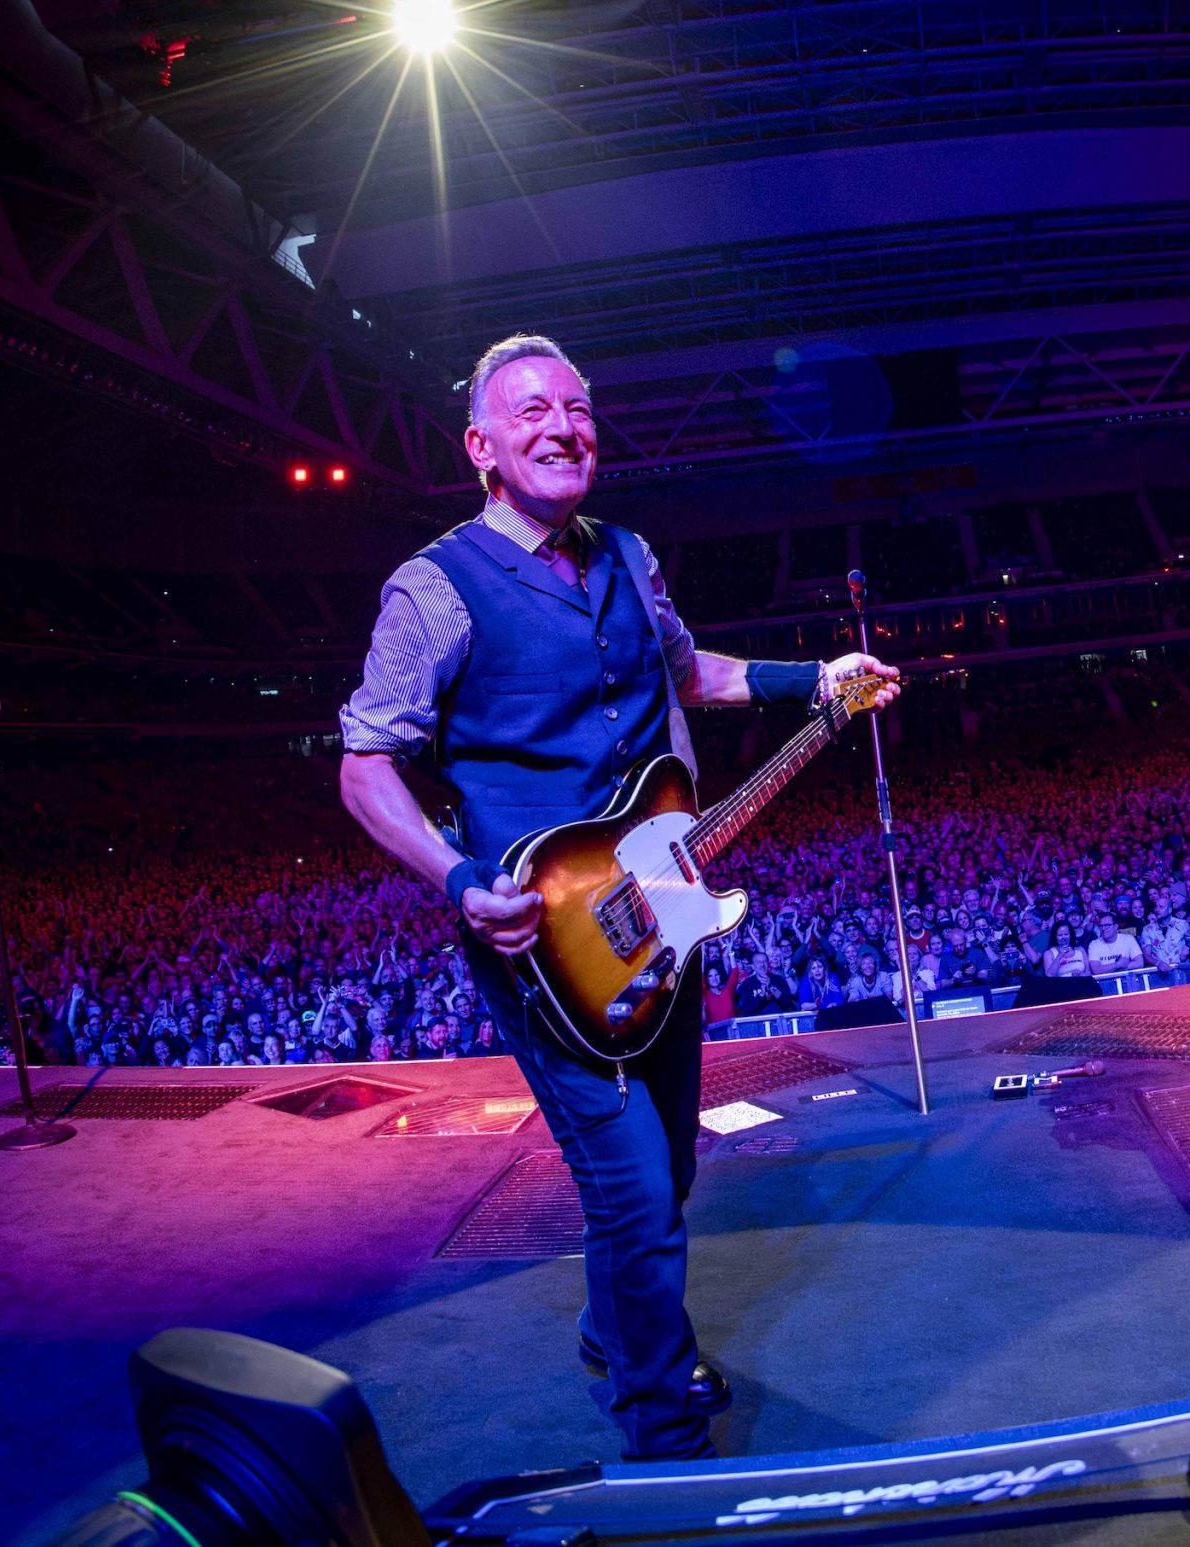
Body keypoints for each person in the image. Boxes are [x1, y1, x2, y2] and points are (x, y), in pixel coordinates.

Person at [337, 332, 895, 1459]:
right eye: (533, 411)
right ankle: (659, 1426)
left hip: (668, 905)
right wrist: (456, 882)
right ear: (482, 448)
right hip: (543, 942)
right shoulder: (434, 589)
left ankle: (613, 1325)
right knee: (632, 1187)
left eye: (579, 407)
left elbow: (690, 674)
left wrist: (812, 678)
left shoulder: (631, 555)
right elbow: (363, 764)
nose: (564, 426)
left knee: (676, 1162)